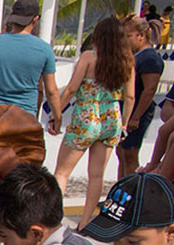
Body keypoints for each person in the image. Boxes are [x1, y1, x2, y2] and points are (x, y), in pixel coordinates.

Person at [53, 17, 135, 230]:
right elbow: (130, 97)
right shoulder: (127, 61)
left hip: (86, 117)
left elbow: (71, 89)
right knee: (96, 175)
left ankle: (55, 220)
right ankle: (85, 222)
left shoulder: (90, 57)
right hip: (111, 119)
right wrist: (124, 124)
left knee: (62, 172)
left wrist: (57, 113)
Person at [0, 0, 61, 129]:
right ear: (36, 19)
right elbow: (51, 91)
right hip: (24, 119)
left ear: (12, 17)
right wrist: (57, 118)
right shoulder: (44, 49)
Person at [117, 14, 163, 178]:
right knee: (121, 153)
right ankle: (120, 189)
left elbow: (149, 90)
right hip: (127, 110)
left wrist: (136, 117)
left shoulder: (150, 58)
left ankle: (131, 192)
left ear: (141, 36)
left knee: (130, 155)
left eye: (128, 36)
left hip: (137, 112)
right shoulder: (136, 56)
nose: (125, 40)